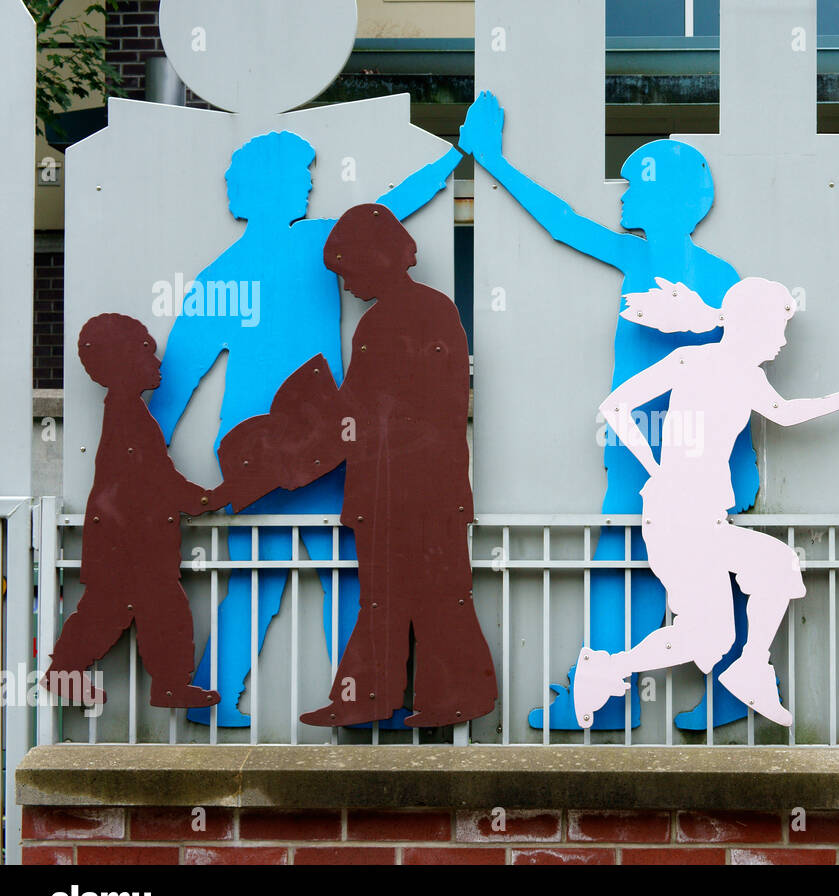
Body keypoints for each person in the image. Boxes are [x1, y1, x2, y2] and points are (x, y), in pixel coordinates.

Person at [458, 90, 763, 732]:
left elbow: (739, 364)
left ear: (668, 198)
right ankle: (624, 694)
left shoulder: (707, 274)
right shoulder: (648, 261)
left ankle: (614, 695)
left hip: (679, 457)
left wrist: (740, 464)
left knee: (647, 570)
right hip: (640, 452)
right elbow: (564, 223)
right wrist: (491, 161)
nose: (620, 197)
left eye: (632, 186)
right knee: (646, 570)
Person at [149, 131, 461, 727]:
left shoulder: (224, 275)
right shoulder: (317, 247)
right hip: (309, 445)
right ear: (271, 185)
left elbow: (176, 376)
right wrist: (452, 154)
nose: (312, 185)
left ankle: (221, 697)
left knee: (265, 578)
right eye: (301, 176)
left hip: (265, 447)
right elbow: (392, 208)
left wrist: (155, 461)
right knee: (350, 574)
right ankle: (365, 701)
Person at [217, 205, 497, 728]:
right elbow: (367, 412)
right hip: (415, 486)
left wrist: (271, 465)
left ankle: (406, 697)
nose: (345, 286)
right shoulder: (422, 312)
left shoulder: (393, 320)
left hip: (404, 487)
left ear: (375, 260)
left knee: (416, 596)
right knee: (421, 595)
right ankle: (410, 697)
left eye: (348, 272)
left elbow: (358, 414)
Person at [571, 278, 839, 727]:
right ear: (752, 325)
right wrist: (656, 469)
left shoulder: (750, 377)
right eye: (778, 328)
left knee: (775, 570)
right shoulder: (691, 360)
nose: (783, 341)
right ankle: (608, 668)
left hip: (707, 518)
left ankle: (748, 667)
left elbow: (783, 413)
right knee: (709, 636)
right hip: (674, 516)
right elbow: (617, 406)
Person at [41, 314, 223, 709]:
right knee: (123, 612)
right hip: (128, 543)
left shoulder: (126, 413)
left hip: (128, 540)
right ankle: (71, 672)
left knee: (155, 612)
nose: (157, 364)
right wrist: (204, 499)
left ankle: (167, 684)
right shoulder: (130, 417)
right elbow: (158, 479)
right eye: (147, 355)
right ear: (124, 362)